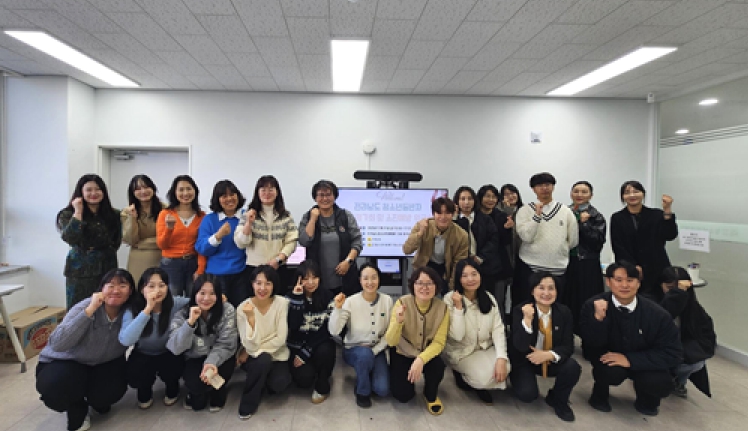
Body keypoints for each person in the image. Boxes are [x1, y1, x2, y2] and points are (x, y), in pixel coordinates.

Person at [36, 269, 134, 431]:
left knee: (108, 397)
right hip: (68, 362)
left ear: (130, 291)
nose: (116, 290)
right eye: (110, 285)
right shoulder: (85, 306)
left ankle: (95, 400)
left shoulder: (130, 313)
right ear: (101, 289)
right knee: (54, 388)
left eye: (122, 286)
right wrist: (89, 311)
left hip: (105, 363)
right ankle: (77, 405)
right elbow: (57, 344)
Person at [581, 261, 682, 416]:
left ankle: (647, 400)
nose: (624, 285)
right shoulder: (593, 305)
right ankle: (599, 394)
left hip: (644, 359)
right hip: (609, 358)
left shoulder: (657, 314)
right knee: (608, 371)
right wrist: (599, 319)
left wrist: (630, 360)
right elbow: (590, 346)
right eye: (618, 280)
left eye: (630, 280)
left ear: (638, 283)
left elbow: (673, 353)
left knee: (660, 382)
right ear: (608, 282)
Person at [509, 272, 581, 422]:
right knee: (527, 395)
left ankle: (558, 400)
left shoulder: (564, 312)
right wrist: (527, 320)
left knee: (572, 367)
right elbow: (520, 346)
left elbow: (568, 346)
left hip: (548, 358)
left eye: (551, 288)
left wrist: (548, 354)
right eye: (541, 288)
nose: (546, 293)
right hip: (525, 359)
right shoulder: (520, 310)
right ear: (532, 290)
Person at [119, 267, 189, 409]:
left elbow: (198, 300)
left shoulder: (174, 303)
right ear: (141, 289)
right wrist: (147, 309)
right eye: (151, 286)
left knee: (174, 368)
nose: (157, 290)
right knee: (136, 375)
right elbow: (126, 340)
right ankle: (144, 389)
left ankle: (172, 387)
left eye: (162, 285)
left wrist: (219, 298)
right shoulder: (132, 308)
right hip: (143, 352)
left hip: (168, 351)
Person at [443, 259, 510, 406]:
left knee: (505, 367)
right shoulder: (449, 299)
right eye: (465, 275)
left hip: (484, 347)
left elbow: (498, 329)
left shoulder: (488, 297)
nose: (470, 279)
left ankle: (479, 380)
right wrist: (458, 307)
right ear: (459, 279)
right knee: (483, 378)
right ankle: (466, 377)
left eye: (474, 274)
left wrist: (501, 358)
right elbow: (457, 335)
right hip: (462, 352)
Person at [167, 274, 237, 412]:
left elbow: (227, 343)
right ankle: (196, 392)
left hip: (220, 357)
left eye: (212, 293)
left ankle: (218, 389)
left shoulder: (227, 310)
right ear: (194, 293)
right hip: (195, 358)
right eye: (202, 293)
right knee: (197, 403)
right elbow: (175, 348)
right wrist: (190, 323)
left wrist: (211, 363)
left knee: (217, 399)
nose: (206, 298)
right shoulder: (183, 313)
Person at [328, 262, 394, 408]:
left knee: (382, 390)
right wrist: (337, 309)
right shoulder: (350, 301)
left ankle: (365, 372)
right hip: (354, 349)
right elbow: (334, 331)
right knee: (364, 356)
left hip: (377, 349)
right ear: (360, 280)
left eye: (374, 277)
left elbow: (389, 332)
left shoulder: (387, 300)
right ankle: (362, 391)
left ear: (379, 279)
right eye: (365, 278)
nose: (370, 282)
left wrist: (375, 350)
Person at [386, 266, 449, 415]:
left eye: (429, 283)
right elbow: (391, 342)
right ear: (413, 285)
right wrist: (398, 322)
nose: (424, 287)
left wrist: (421, 359)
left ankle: (430, 394)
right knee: (402, 396)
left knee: (438, 365)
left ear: (436, 286)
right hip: (403, 351)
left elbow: (439, 342)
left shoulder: (443, 308)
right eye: (420, 283)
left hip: (426, 352)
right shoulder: (401, 303)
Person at [57, 174, 122, 309]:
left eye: (98, 189)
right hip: (80, 269)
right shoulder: (67, 214)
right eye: (89, 190)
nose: (94, 193)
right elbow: (70, 238)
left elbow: (116, 241)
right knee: (79, 309)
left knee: (107, 306)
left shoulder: (113, 214)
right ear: (81, 192)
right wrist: (78, 212)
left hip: (107, 266)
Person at [236, 266, 292, 420]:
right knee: (263, 360)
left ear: (274, 285)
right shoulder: (243, 308)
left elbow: (280, 339)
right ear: (252, 284)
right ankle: (248, 403)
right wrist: (251, 319)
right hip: (254, 357)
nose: (262, 288)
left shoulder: (282, 303)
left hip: (277, 354)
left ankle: (260, 380)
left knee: (279, 384)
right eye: (258, 283)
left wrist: (252, 348)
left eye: (268, 283)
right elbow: (249, 344)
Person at [514, 172, 578, 307]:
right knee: (528, 307)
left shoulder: (565, 211)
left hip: (557, 269)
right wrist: (537, 216)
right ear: (533, 189)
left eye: (548, 184)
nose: (544, 188)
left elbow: (573, 240)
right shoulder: (524, 211)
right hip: (530, 267)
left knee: (556, 308)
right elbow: (526, 237)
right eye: (540, 185)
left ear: (553, 187)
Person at [611, 180, 678, 302]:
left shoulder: (656, 214)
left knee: (660, 304)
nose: (632, 195)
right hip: (630, 270)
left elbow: (670, 235)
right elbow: (618, 245)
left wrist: (667, 211)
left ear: (643, 194)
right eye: (627, 192)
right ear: (623, 197)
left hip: (657, 268)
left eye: (636, 191)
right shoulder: (617, 218)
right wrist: (632, 266)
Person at [235, 175, 298, 296]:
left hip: (278, 268)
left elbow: (292, 241)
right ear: (257, 192)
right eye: (263, 189)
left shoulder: (286, 216)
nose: (267, 193)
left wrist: (278, 259)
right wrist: (249, 223)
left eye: (271, 189)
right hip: (254, 268)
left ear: (277, 192)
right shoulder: (248, 214)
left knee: (278, 302)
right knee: (255, 303)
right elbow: (241, 243)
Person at [659, 266, 716, 398]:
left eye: (678, 289)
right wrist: (677, 295)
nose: (673, 292)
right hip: (657, 353)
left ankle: (678, 381)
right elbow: (663, 316)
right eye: (670, 288)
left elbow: (707, 340)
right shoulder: (653, 303)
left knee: (697, 362)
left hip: (679, 354)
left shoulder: (696, 311)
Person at [298, 180, 362, 296]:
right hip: (316, 280)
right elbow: (304, 241)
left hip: (345, 278)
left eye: (328, 194)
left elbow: (357, 241)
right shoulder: (308, 217)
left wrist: (348, 261)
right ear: (315, 197)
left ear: (334, 196)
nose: (325, 198)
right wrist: (313, 219)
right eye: (321, 195)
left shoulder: (345, 216)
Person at [286, 260, 336, 404]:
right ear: (299, 280)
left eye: (314, 277)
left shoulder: (327, 296)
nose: (311, 282)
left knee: (326, 349)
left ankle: (323, 385)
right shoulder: (289, 298)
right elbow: (293, 326)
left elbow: (328, 329)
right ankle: (315, 370)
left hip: (318, 344)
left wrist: (307, 350)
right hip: (297, 346)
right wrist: (297, 299)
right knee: (304, 381)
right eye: (306, 278)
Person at [196, 180, 250, 307]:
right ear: (217, 199)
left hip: (242, 273)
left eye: (232, 194)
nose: (229, 199)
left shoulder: (247, 217)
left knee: (242, 310)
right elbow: (202, 248)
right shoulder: (209, 219)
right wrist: (218, 236)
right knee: (218, 311)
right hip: (216, 276)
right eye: (224, 196)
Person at [402, 197, 468, 294]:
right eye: (439, 213)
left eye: (447, 213)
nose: (443, 217)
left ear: (453, 214)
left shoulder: (461, 235)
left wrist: (452, 288)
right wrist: (420, 233)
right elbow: (407, 250)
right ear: (433, 214)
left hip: (446, 270)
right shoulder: (422, 225)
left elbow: (458, 264)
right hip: (423, 266)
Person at [564, 181, 606, 332]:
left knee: (587, 301)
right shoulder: (564, 212)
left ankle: (587, 334)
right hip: (565, 263)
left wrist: (584, 224)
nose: (579, 195)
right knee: (566, 301)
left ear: (591, 195)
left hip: (587, 264)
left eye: (584, 192)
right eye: (576, 191)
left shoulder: (596, 216)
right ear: (571, 193)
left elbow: (597, 243)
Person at [157, 175, 206, 297]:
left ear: (195, 191)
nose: (185, 193)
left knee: (195, 298)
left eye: (189, 189)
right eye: (181, 189)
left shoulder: (202, 216)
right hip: (171, 264)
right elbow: (162, 245)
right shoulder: (165, 214)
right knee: (172, 300)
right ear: (174, 192)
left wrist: (200, 269)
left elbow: (202, 246)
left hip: (193, 262)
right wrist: (169, 228)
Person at [452, 186, 502, 297]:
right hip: (461, 266)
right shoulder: (453, 221)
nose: (466, 202)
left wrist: (480, 258)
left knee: (486, 297)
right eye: (462, 199)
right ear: (457, 201)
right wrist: (455, 219)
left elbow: (493, 240)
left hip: (485, 265)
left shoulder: (485, 219)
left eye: (470, 199)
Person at [476, 184, 513, 316]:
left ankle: (500, 327)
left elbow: (506, 242)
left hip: (498, 267)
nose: (491, 200)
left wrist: (507, 229)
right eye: (487, 196)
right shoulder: (474, 216)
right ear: (480, 198)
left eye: (494, 197)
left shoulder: (502, 216)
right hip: (478, 264)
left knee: (498, 302)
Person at [121, 174, 164, 283]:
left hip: (160, 257)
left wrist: (141, 243)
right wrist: (132, 218)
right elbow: (131, 240)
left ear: (153, 188)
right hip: (137, 259)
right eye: (138, 189)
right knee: (137, 288)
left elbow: (167, 239)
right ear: (132, 192)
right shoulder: (126, 212)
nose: (143, 191)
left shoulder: (165, 209)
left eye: (146, 187)